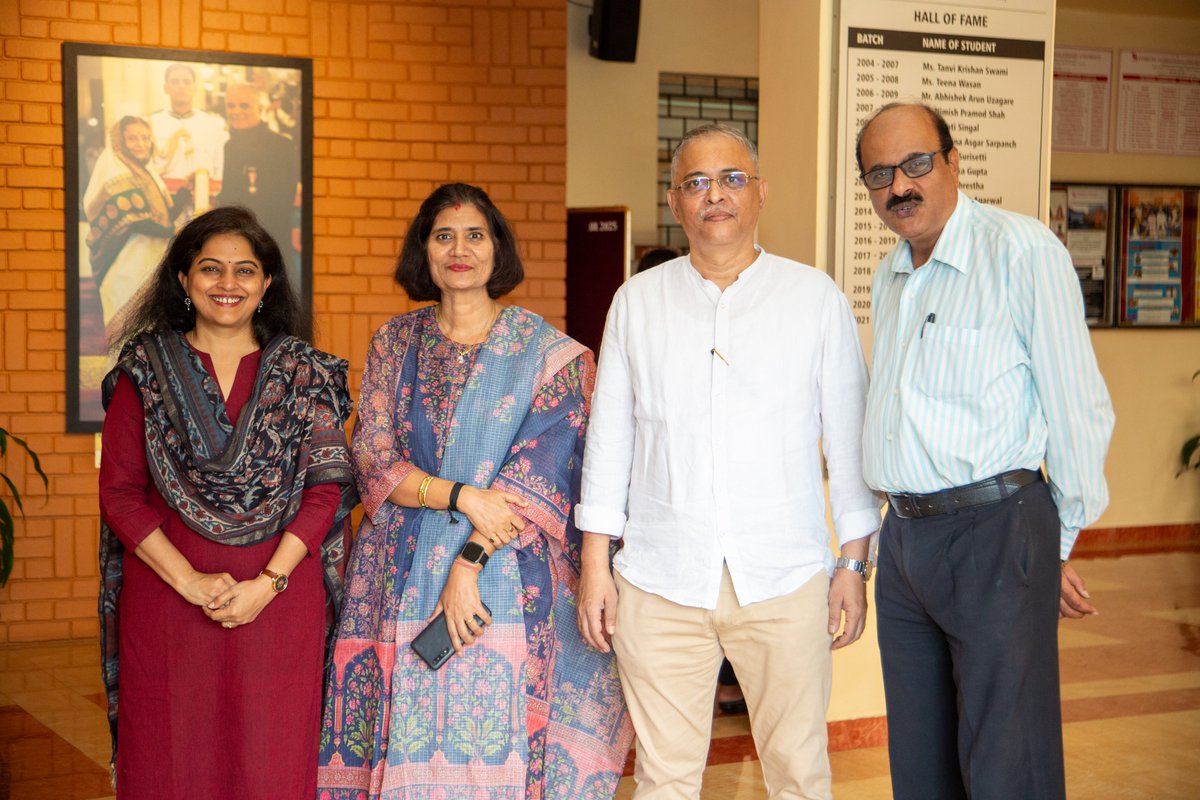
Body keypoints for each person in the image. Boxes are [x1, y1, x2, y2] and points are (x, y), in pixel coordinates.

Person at [576, 123, 882, 799]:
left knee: (799, 771)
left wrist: (854, 564)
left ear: (761, 194)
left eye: (732, 178)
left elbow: (851, 442)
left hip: (785, 577)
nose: (715, 195)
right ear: (675, 202)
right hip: (659, 583)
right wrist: (595, 563)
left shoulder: (815, 300)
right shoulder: (637, 304)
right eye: (696, 182)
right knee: (663, 778)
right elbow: (610, 443)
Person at [317, 182, 633, 798]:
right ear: (423, 252)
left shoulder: (554, 356)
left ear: (498, 250)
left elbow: (535, 481)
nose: (459, 249)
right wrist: (462, 495)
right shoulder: (394, 342)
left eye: (474, 235)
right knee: (404, 735)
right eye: (443, 235)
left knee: (499, 745)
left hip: (509, 581)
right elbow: (374, 460)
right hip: (395, 578)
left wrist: (465, 566)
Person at [855, 102, 1115, 800]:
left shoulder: (1021, 252)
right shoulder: (891, 275)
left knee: (1007, 760)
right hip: (906, 542)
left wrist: (1045, 546)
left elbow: (1078, 406)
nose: (899, 186)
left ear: (953, 161)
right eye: (879, 174)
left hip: (995, 528)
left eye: (915, 164)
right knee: (920, 761)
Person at [97, 206, 357, 798]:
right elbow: (120, 493)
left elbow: (325, 488)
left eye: (245, 270)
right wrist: (188, 581)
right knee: (171, 756)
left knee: (272, 757)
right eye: (210, 269)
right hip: (169, 601)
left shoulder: (303, 374)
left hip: (280, 602)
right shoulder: (145, 371)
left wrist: (269, 582)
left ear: (267, 284)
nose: (228, 283)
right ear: (184, 279)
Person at [82, 115, 181, 334]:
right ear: (120, 142)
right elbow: (138, 221)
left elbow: (161, 215)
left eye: (146, 138)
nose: (142, 144)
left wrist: (183, 195)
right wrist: (174, 232)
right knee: (127, 330)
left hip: (149, 261)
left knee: (151, 329)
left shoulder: (147, 172)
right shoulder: (117, 171)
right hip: (124, 265)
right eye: (133, 138)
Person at [220, 83, 301, 275]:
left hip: (270, 243)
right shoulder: (229, 146)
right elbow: (230, 196)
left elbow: (282, 201)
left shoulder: (282, 146)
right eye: (231, 106)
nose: (236, 111)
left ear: (261, 109)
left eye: (244, 105)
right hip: (237, 247)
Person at [150, 63, 228, 216]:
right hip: (165, 204)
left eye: (187, 82)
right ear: (166, 87)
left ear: (195, 88)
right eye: (175, 81)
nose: (181, 86)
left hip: (204, 203)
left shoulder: (214, 124)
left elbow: (220, 166)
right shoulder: (151, 123)